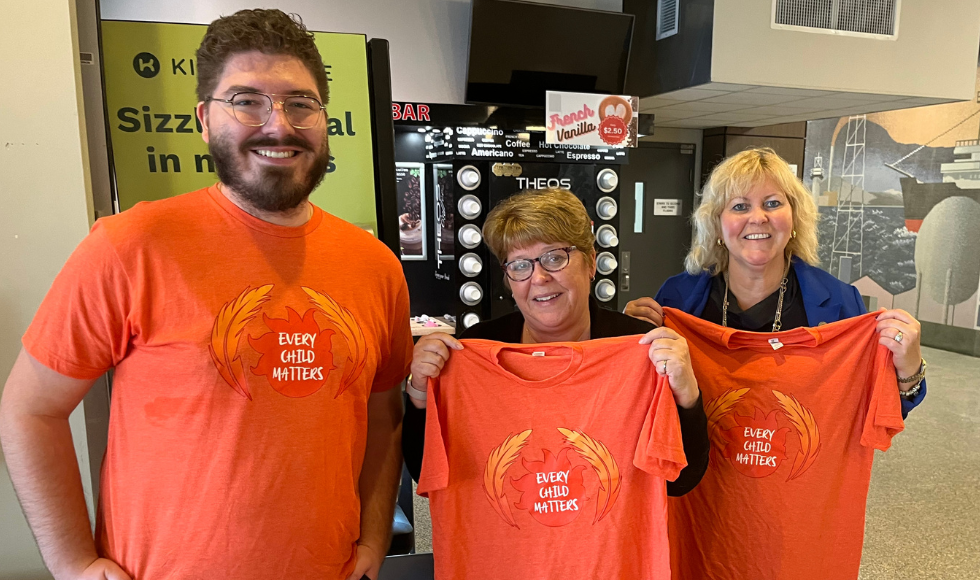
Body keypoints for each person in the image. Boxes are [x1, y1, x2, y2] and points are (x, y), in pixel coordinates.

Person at [0, 10, 410, 580]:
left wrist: (371, 538)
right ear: (203, 120)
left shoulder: (375, 266)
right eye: (246, 101)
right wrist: (72, 564)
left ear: (323, 118)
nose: (278, 125)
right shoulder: (131, 245)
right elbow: (30, 409)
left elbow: (382, 409)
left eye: (300, 103)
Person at [402, 188, 710, 496]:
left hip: (608, 542)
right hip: (515, 540)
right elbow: (427, 476)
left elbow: (679, 482)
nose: (539, 277)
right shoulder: (474, 350)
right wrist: (420, 394)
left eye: (554, 257)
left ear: (591, 263)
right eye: (520, 265)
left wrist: (687, 395)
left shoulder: (639, 348)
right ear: (508, 280)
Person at [624, 147, 927, 415]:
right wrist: (629, 340)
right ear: (717, 224)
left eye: (772, 203)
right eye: (740, 206)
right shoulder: (676, 298)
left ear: (794, 218)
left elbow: (877, 410)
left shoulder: (839, 302)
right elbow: (645, 400)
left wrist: (909, 370)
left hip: (799, 472)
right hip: (702, 475)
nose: (758, 217)